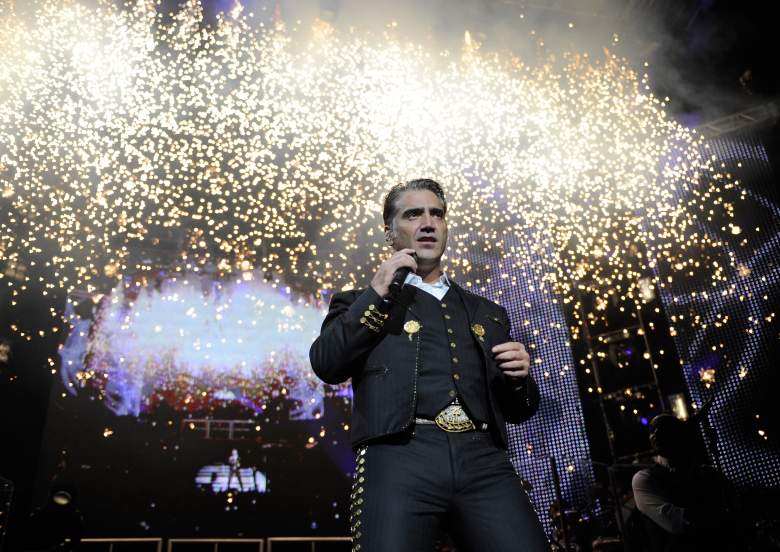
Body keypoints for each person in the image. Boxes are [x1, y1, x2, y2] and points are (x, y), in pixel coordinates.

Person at [309, 179, 548, 551]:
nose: (427, 222)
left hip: (483, 460)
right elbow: (327, 363)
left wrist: (520, 378)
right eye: (413, 214)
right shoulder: (357, 301)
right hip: (399, 456)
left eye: (437, 213)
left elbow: (520, 411)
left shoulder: (488, 312)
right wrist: (377, 294)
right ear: (390, 233)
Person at [630, 413, 738, 551]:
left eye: (664, 430)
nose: (655, 435)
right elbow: (676, 523)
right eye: (653, 431)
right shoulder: (645, 478)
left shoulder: (708, 473)